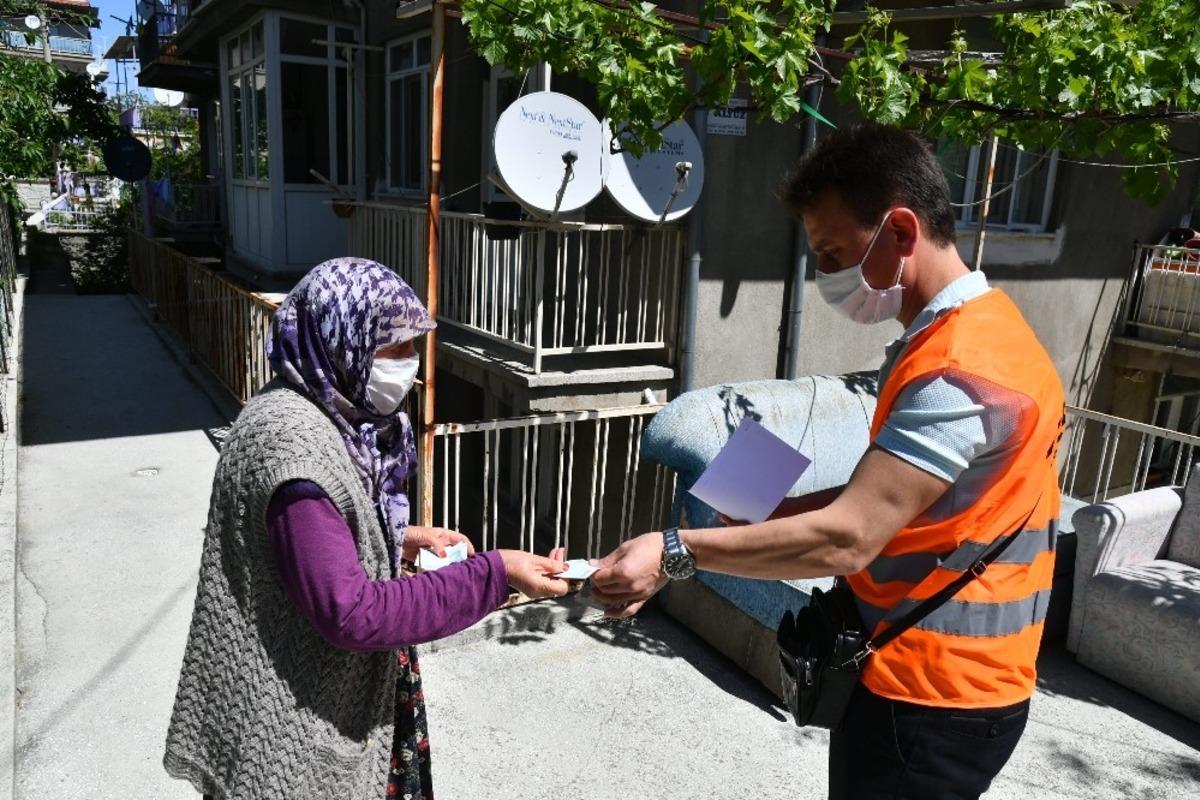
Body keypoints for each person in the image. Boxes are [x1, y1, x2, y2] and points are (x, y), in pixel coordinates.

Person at [590, 123, 1066, 800]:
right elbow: (900, 499)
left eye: (834, 253)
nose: (828, 276)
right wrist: (781, 512)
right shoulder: (991, 333)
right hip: (951, 680)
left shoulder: (958, 371)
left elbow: (849, 538)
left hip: (929, 694)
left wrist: (674, 552)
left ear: (900, 232)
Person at [164, 258, 570, 800]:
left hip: (314, 687)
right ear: (338, 338)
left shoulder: (318, 408)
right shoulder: (295, 453)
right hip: (291, 724)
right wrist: (496, 573)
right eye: (392, 349)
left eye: (412, 347)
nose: (409, 365)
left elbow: (320, 537)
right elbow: (352, 613)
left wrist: (402, 538)